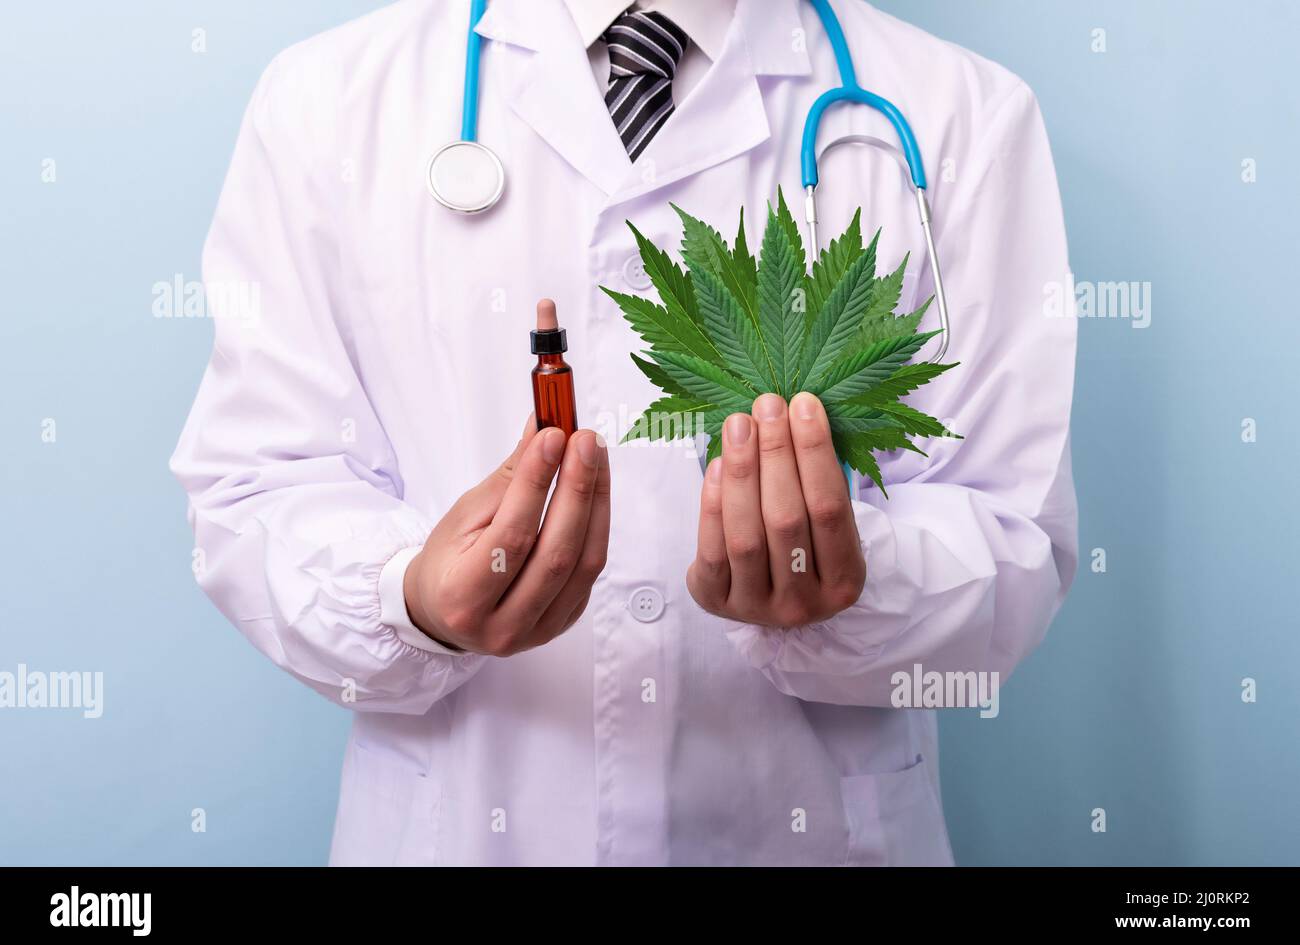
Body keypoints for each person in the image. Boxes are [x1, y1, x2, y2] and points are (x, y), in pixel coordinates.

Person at [171, 0, 1077, 866]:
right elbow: (256, 492)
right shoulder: (326, 102)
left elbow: (1016, 544)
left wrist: (849, 585)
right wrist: (407, 597)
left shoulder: (960, 114)